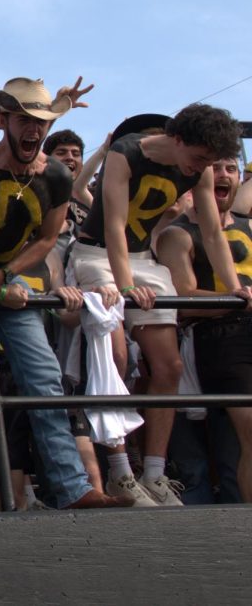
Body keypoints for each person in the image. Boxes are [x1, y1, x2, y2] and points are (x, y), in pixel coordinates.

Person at [0, 77, 127, 511]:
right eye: (24, 119)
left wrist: (6, 275)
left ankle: (74, 487)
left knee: (44, 377)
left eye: (40, 121)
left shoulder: (54, 175)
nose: (33, 129)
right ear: (5, 123)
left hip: (4, 272)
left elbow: (48, 237)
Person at [72, 104, 250, 506]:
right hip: (97, 254)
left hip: (143, 261)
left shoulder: (198, 168)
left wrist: (236, 287)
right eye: (200, 158)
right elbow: (114, 226)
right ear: (179, 140)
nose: (201, 169)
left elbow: (212, 230)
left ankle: (154, 474)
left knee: (169, 364)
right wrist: (127, 285)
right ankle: (120, 472)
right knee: (115, 354)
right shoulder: (127, 152)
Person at [155, 154, 252, 500]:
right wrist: (236, 298)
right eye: (217, 167)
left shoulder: (247, 225)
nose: (224, 175)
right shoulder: (178, 234)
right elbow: (184, 298)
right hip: (218, 338)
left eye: (232, 168)